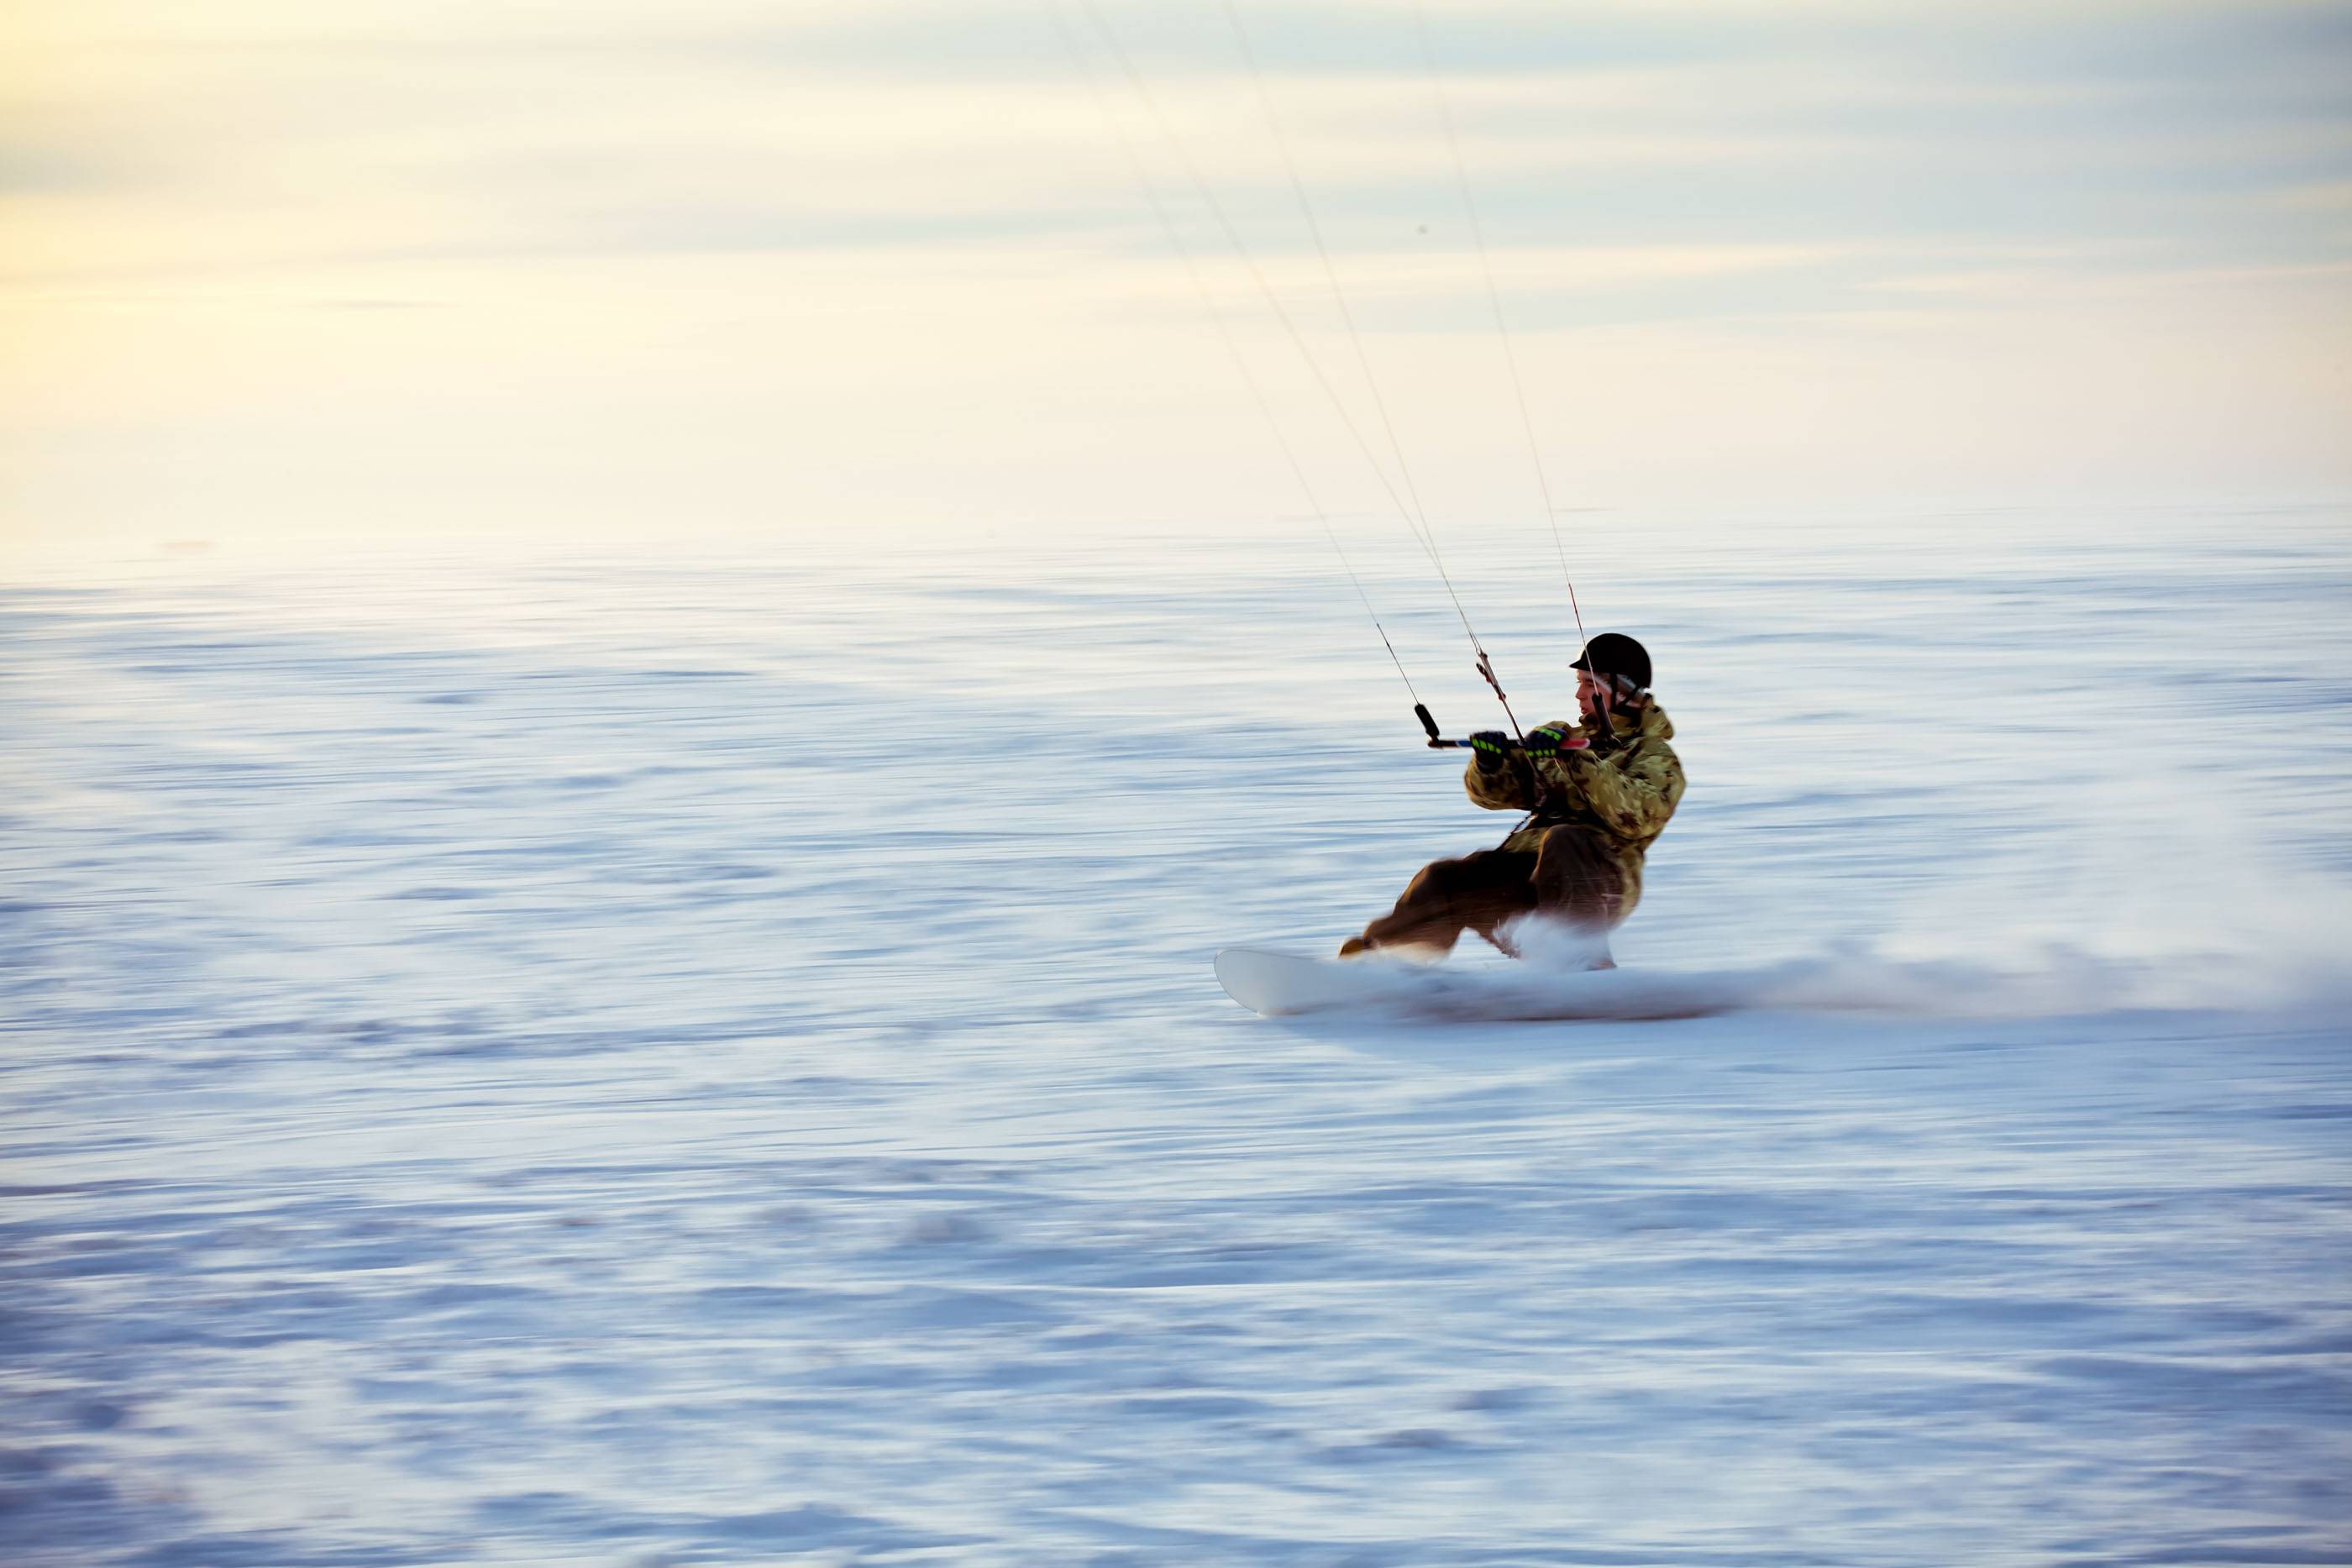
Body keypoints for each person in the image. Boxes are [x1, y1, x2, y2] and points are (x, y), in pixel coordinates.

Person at [1339, 632, 1684, 964]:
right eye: (1579, 683)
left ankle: (1580, 963)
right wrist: (1490, 764)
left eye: (1590, 684)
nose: (1579, 694)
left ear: (1623, 691)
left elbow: (1638, 816)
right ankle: (1381, 965)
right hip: (1524, 885)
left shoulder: (1653, 755)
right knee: (1445, 878)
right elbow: (1497, 795)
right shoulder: (1564, 736)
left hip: (1598, 884)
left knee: (1565, 840)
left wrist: (1574, 759)